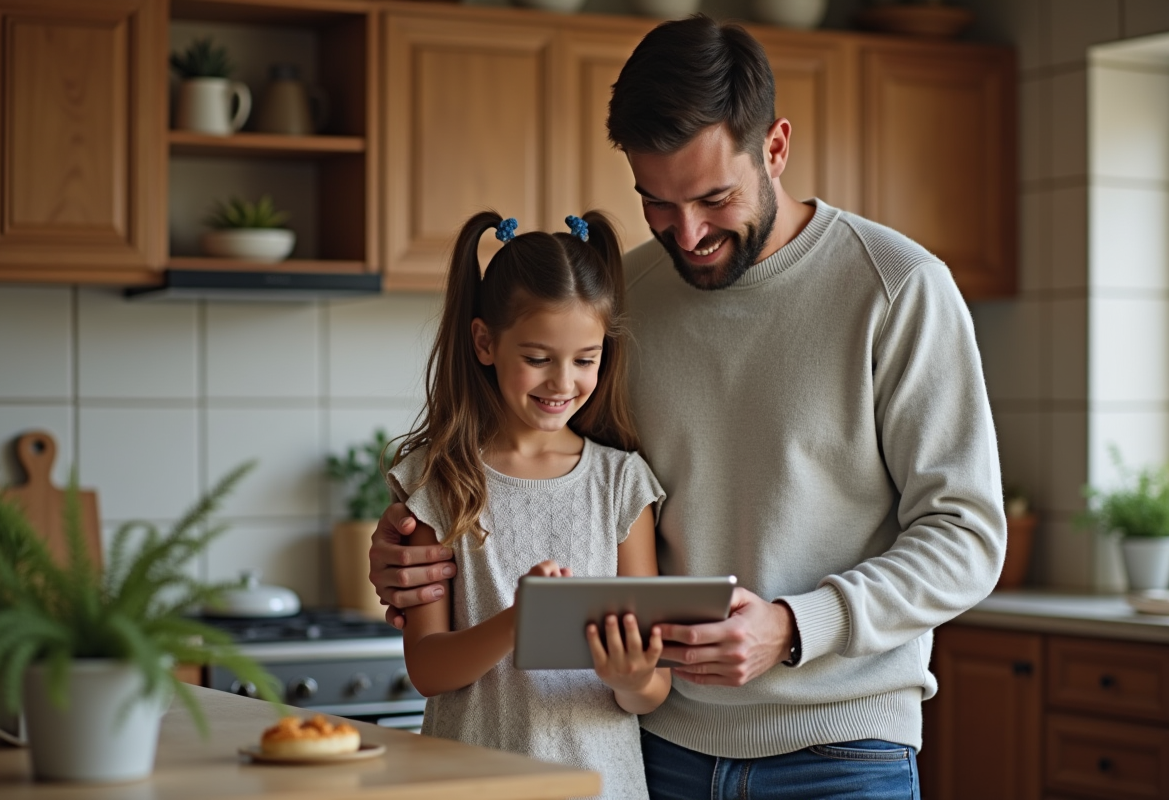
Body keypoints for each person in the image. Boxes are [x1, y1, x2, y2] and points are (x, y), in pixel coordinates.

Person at [370, 15, 1005, 800]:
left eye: (713, 198)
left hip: (840, 753)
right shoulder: (622, 297)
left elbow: (968, 537)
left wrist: (796, 625)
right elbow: (553, 475)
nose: (689, 233)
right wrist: (412, 543)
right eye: (658, 204)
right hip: (651, 751)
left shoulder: (897, 288)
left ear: (774, 147)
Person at [386, 209, 670, 800]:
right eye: (538, 358)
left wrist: (633, 676)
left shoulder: (622, 483)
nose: (562, 382)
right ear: (485, 342)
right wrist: (521, 621)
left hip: (603, 786)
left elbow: (652, 689)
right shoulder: (441, 480)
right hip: (470, 786)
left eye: (585, 359)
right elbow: (428, 670)